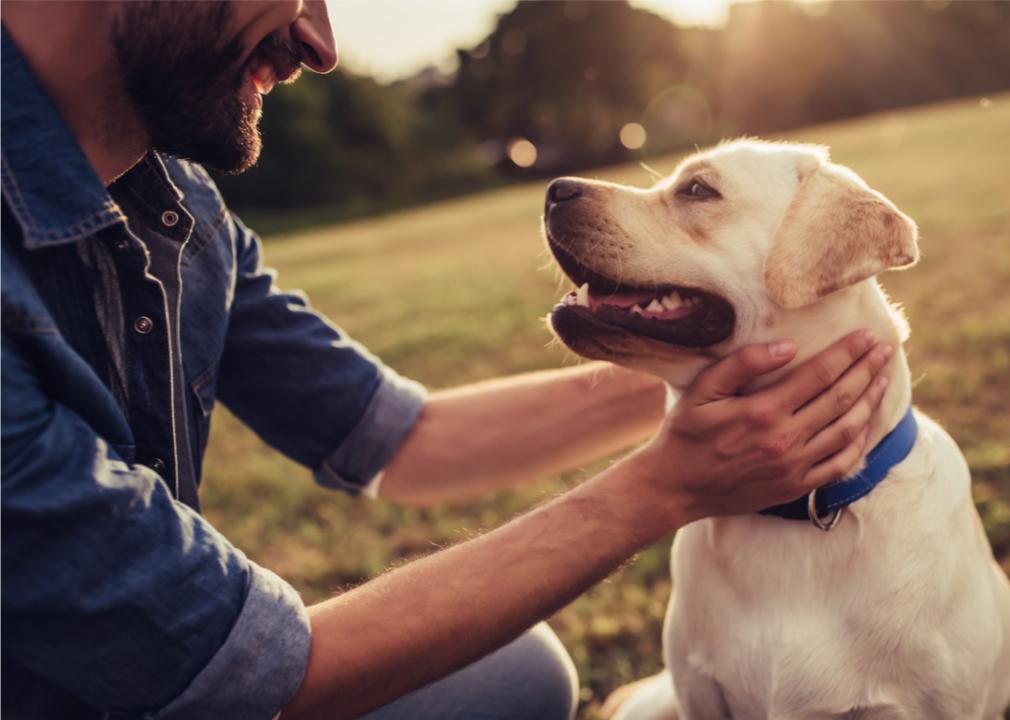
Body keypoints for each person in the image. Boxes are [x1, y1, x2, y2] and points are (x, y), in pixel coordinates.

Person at [0, 2, 892, 719]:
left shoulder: (178, 211)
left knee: (515, 676)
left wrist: (733, 362)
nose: (319, 41)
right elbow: (234, 674)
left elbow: (404, 438)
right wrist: (665, 486)